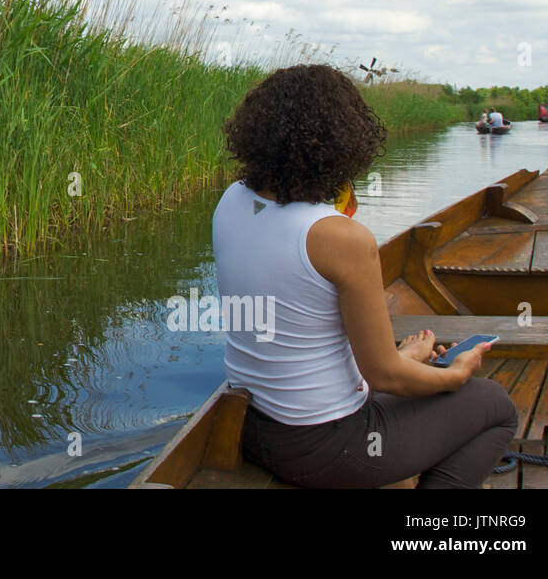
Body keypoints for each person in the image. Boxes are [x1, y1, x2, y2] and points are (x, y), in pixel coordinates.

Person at [213, 65, 516, 488]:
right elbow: (384, 378)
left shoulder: (231, 202)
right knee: (495, 405)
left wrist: (406, 359)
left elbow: (301, 334)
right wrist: (458, 373)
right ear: (344, 142)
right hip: (325, 448)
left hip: (251, 426)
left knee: (412, 374)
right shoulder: (340, 236)